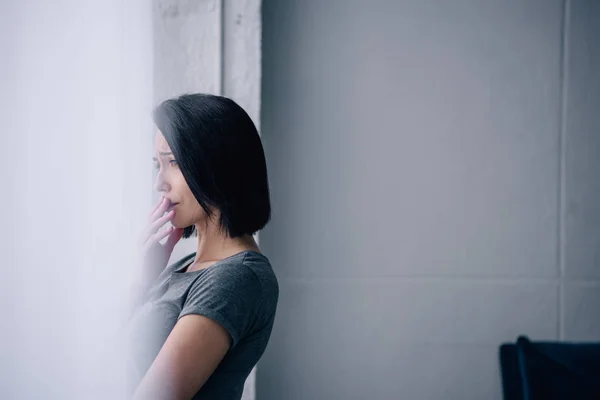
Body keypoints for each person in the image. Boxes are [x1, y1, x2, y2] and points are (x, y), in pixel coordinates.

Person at [126, 94, 279, 400]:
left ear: (215, 164)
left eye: (173, 162)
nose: (159, 183)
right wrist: (142, 279)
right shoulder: (183, 267)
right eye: (158, 164)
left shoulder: (236, 279)